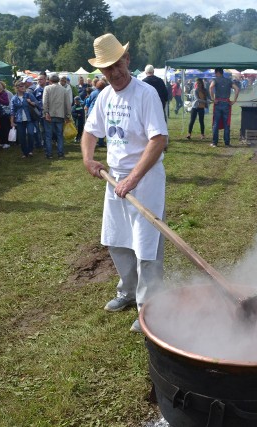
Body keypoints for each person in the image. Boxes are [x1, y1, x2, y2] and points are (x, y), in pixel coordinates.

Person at [81, 33, 168, 333]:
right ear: (101, 72)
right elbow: (90, 132)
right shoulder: (104, 96)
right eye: (107, 69)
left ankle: (149, 308)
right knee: (116, 240)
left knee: (147, 247)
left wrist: (133, 178)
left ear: (127, 60)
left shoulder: (146, 94)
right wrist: (88, 158)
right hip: (114, 181)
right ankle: (127, 292)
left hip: (144, 181)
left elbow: (159, 140)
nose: (114, 73)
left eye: (118, 65)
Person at [42, 72, 72, 159]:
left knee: (48, 136)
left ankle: (49, 154)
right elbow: (68, 104)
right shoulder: (64, 90)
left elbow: (44, 102)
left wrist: (46, 112)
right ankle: (60, 154)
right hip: (60, 115)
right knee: (59, 135)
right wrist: (68, 115)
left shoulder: (47, 88)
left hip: (49, 115)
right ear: (58, 80)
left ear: (50, 80)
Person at [209, 67, 239, 147]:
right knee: (227, 124)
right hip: (226, 103)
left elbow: (211, 87)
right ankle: (227, 143)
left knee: (216, 123)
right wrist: (234, 100)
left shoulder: (215, 80)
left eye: (215, 73)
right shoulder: (228, 80)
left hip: (218, 103)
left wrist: (213, 99)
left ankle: (214, 143)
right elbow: (237, 89)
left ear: (217, 73)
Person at [10, 80, 38, 158]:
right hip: (19, 120)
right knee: (21, 137)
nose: (23, 87)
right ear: (17, 88)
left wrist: (31, 103)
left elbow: (36, 103)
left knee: (31, 134)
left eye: (24, 86)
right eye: (21, 86)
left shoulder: (29, 95)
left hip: (29, 119)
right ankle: (25, 152)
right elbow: (12, 111)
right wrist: (12, 122)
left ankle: (30, 150)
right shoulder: (14, 98)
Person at [0, 80, 12, 149]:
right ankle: (1, 142)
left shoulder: (4, 93)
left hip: (4, 113)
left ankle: (6, 142)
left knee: (5, 127)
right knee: (0, 128)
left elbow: (6, 102)